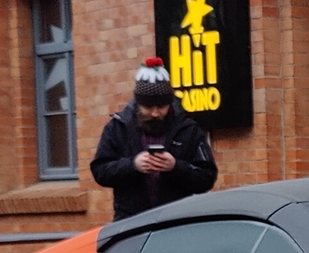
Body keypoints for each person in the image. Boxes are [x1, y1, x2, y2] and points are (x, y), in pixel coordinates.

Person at [92, 55, 218, 219]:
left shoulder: (189, 129)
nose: (155, 113)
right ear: (138, 103)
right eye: (148, 107)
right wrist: (132, 165)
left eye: (162, 106)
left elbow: (207, 177)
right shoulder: (118, 127)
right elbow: (100, 171)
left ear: (170, 103)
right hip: (130, 224)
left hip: (175, 223)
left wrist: (176, 167)